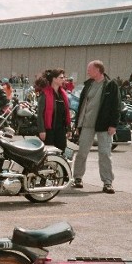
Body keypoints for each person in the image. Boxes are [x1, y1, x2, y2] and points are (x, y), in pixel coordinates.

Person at [72, 60, 121, 194]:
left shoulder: (110, 85)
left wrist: (113, 125)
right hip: (87, 124)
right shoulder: (88, 85)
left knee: (105, 153)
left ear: (98, 70)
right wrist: (78, 125)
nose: (87, 71)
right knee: (82, 152)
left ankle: (107, 182)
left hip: (104, 126)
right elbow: (82, 105)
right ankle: (77, 178)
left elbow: (116, 106)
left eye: (90, 69)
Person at [36, 68, 72, 152]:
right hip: (49, 130)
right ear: (54, 79)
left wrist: (69, 128)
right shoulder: (44, 93)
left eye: (64, 77)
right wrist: (41, 130)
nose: (64, 79)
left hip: (61, 130)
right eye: (61, 77)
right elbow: (40, 114)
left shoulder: (63, 94)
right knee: (49, 153)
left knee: (62, 151)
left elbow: (66, 113)